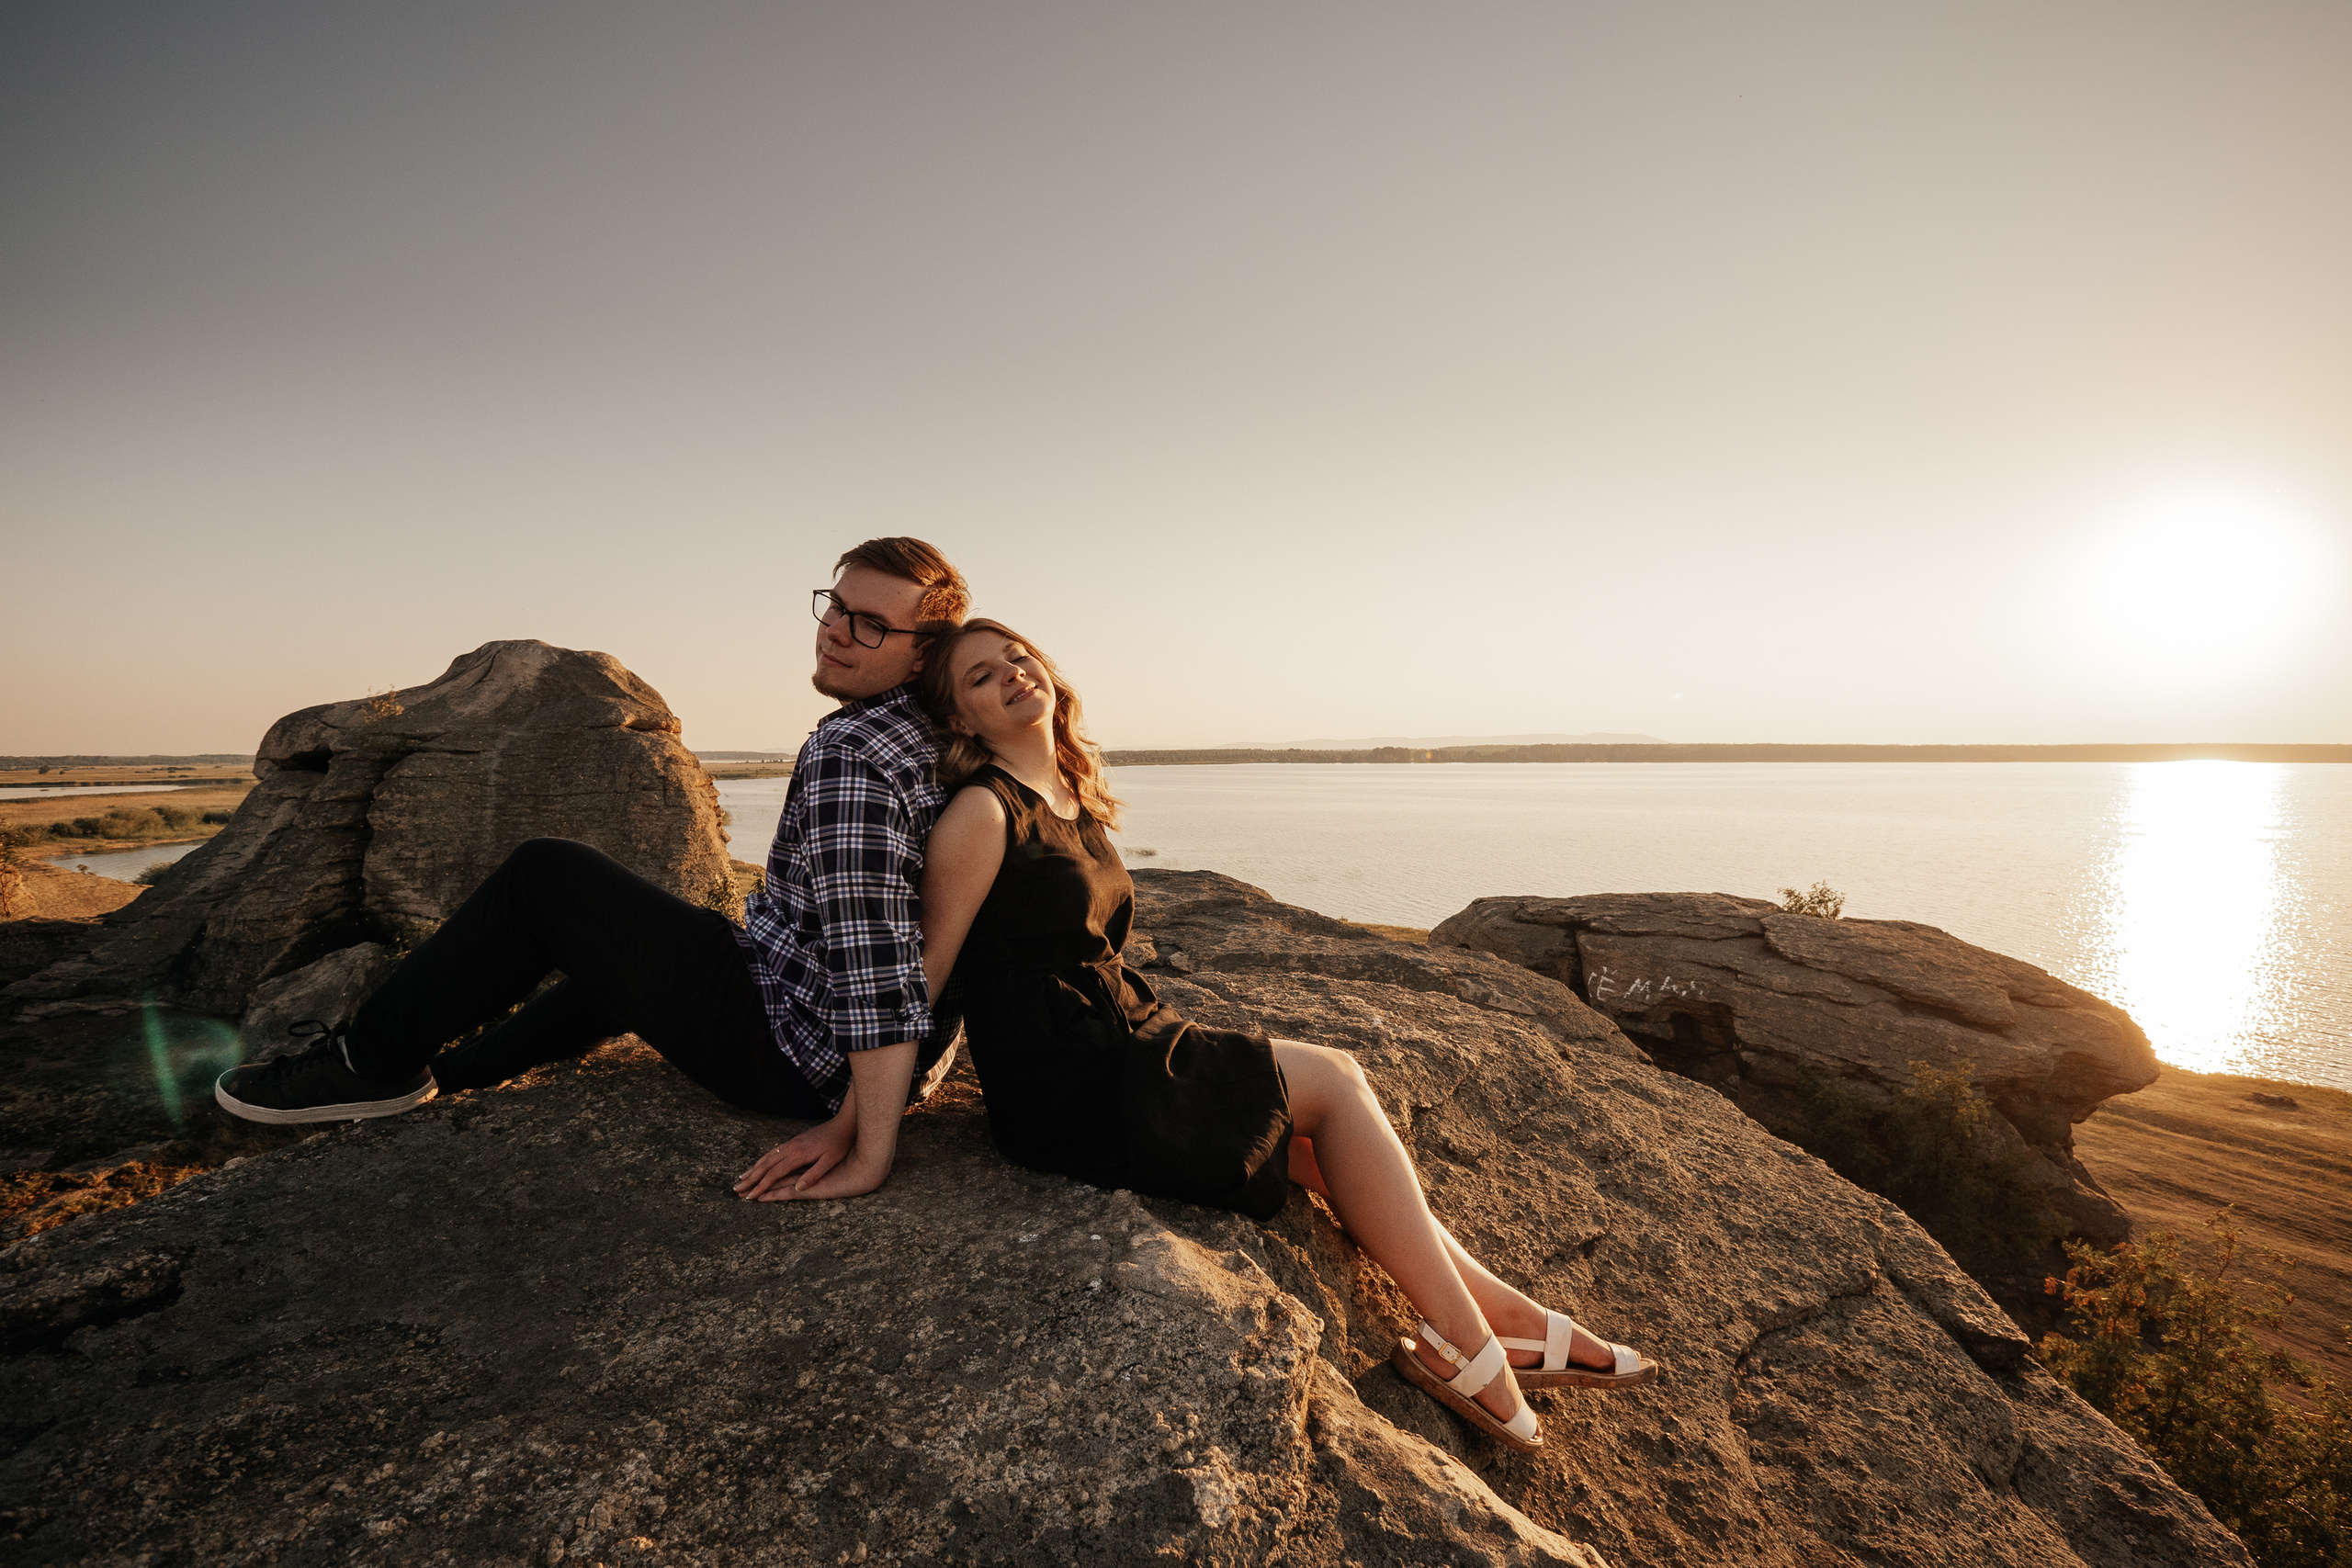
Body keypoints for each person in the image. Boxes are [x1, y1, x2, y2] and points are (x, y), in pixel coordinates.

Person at [756, 615, 1657, 1454]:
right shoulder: (982, 813)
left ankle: (1511, 1323)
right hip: (1068, 1084)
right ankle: (1472, 1351)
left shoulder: (1070, 788)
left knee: (1316, 1153)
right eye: (983, 678)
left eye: (1018, 657)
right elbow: (922, 975)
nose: (1013, 677)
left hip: (1127, 1039)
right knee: (1336, 1084)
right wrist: (859, 1122)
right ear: (960, 715)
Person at [216, 537, 970, 1161]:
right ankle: (447, 1074)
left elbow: (876, 953)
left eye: (870, 624)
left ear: (921, 656)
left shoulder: (856, 752)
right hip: (818, 1023)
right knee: (621, 948)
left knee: (547, 877)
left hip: (798, 1055)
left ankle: (366, 1063)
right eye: (836, 606)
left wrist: (864, 1139)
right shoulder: (936, 737)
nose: (835, 629)